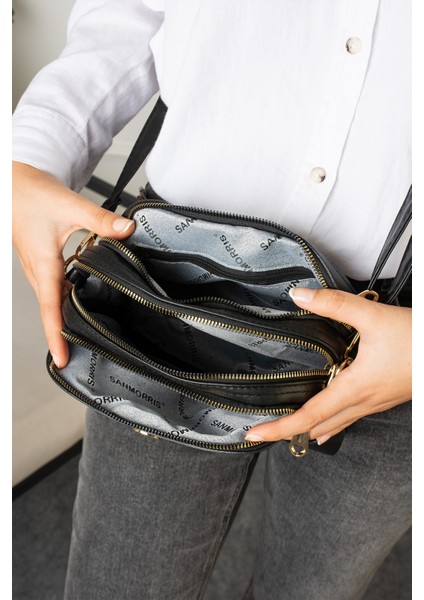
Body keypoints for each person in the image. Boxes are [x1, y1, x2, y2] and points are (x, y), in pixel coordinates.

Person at [12, 1, 412, 598]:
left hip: (399, 339)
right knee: (120, 583)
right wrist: (32, 152)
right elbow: (128, 12)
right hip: (165, 288)